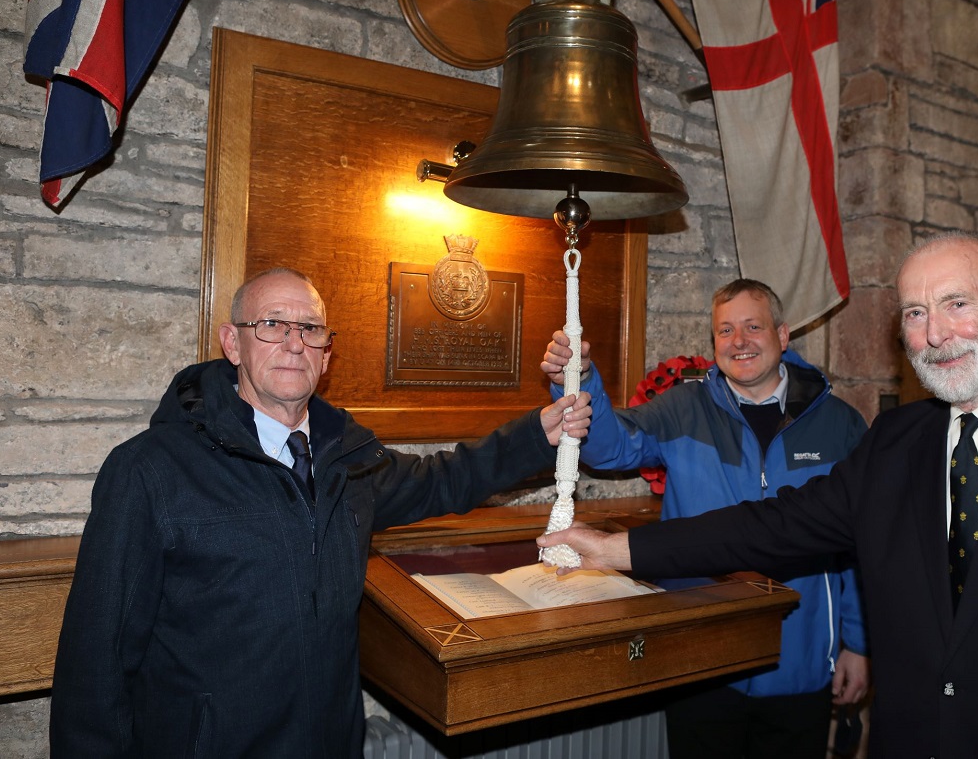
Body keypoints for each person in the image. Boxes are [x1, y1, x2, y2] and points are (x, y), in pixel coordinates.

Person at [539, 232, 978, 758]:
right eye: (917, 314)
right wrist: (618, 550)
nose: (935, 333)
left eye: (958, 304)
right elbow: (772, 527)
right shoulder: (898, 444)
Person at [50, 268, 592, 758]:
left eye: (310, 330)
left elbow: (443, 480)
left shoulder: (348, 460)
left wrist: (535, 436)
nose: (292, 343)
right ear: (231, 344)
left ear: (327, 355)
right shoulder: (149, 472)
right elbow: (95, 664)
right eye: (271, 324)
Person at [541, 279, 869, 759]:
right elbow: (611, 447)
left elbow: (863, 543)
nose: (739, 341)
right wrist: (580, 378)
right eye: (725, 331)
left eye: (753, 327)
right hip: (702, 656)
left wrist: (859, 644)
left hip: (800, 659)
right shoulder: (684, 407)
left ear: (783, 335)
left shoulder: (840, 424)